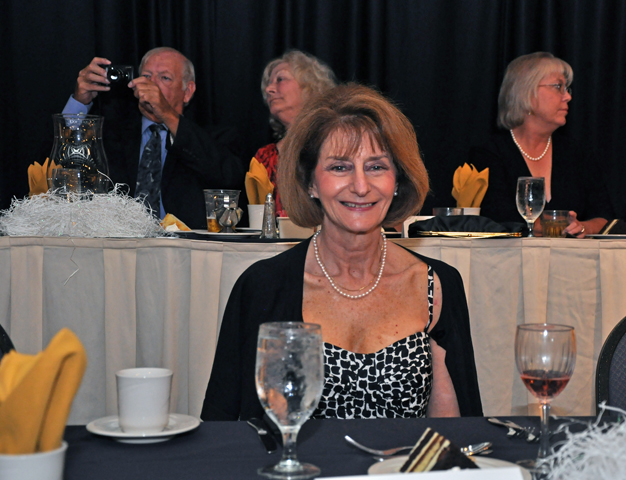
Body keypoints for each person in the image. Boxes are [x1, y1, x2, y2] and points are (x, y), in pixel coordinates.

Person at [201, 84, 483, 421]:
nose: (361, 186)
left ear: (397, 180)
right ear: (310, 182)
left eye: (376, 167)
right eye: (339, 167)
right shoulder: (261, 287)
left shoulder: (436, 286)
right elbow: (222, 429)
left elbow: (455, 433)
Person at [62, 47, 246, 229]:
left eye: (164, 78)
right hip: (119, 241)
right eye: (146, 76)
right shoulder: (111, 132)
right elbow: (63, 161)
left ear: (188, 91)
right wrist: (80, 102)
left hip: (185, 244)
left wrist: (167, 114)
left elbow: (229, 177)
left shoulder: (214, 137)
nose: (152, 84)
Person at [469, 52, 613, 237]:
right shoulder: (489, 153)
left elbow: (605, 217)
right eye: (558, 87)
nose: (567, 97)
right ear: (527, 93)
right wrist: (558, 227)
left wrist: (581, 227)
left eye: (567, 89)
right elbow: (498, 218)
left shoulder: (577, 154)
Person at [253, 50, 336, 215]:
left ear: (310, 86)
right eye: (269, 84)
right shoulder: (265, 157)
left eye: (280, 79)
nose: (269, 89)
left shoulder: (334, 144)